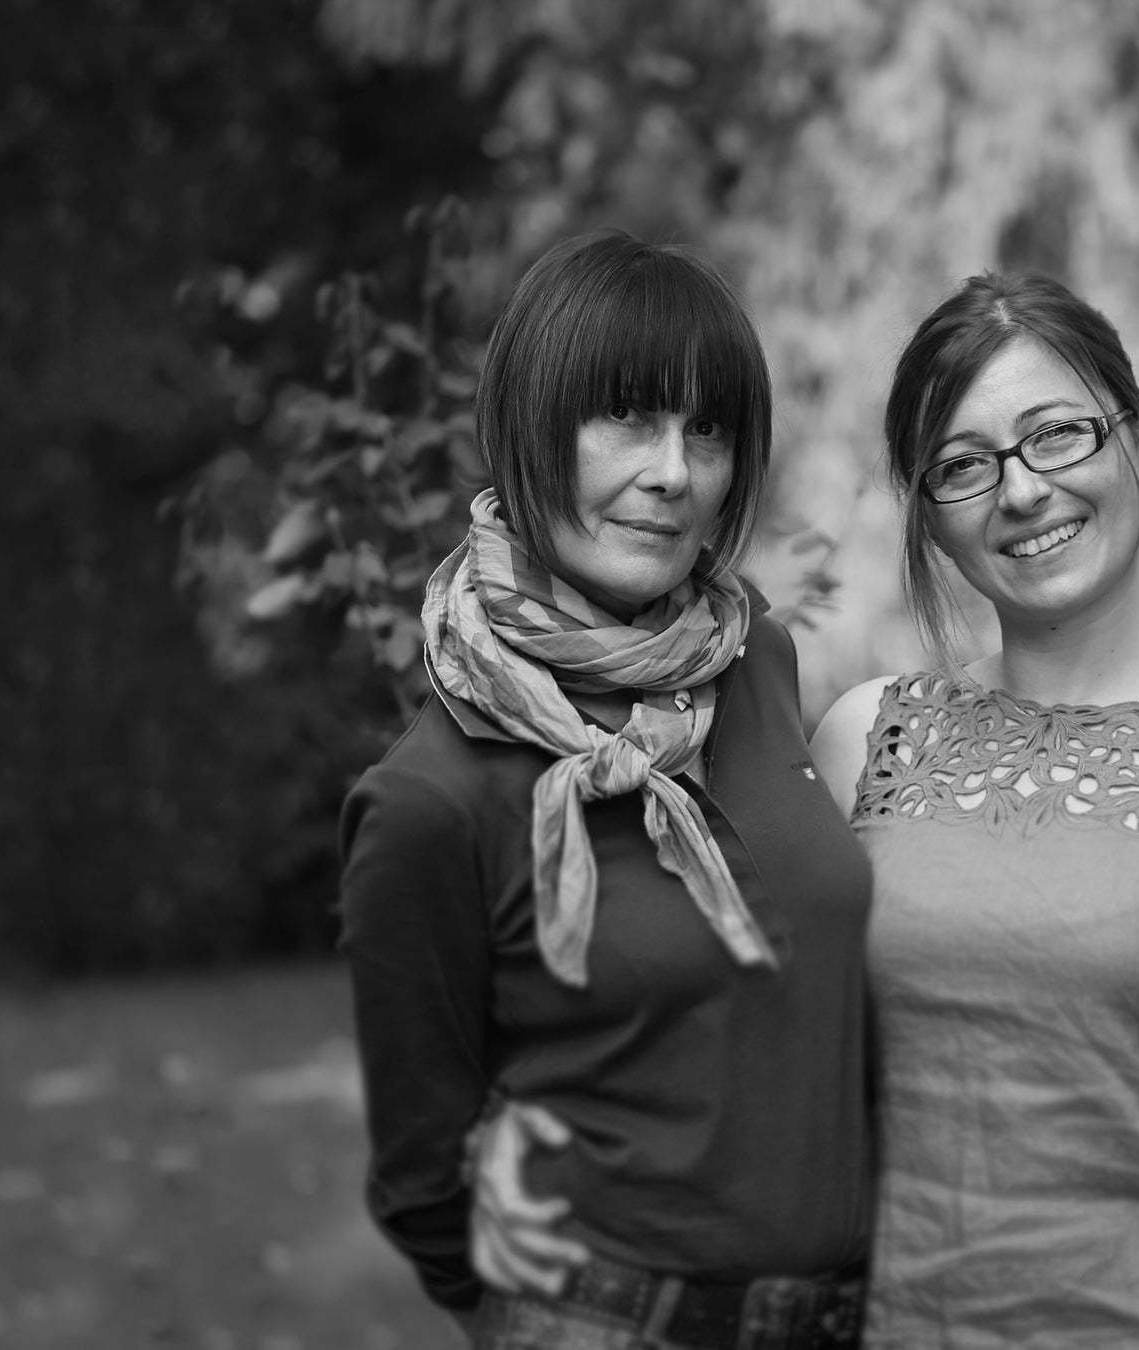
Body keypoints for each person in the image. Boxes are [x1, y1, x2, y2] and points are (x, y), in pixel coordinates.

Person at [473, 271, 1139, 1349]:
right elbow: (716, 1018)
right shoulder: (864, 743)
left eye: (1058, 435)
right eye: (963, 465)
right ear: (931, 521)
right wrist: (528, 1125)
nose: (1023, 490)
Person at [336, 229, 875, 1350]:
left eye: (708, 429)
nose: (674, 471)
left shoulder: (753, 663)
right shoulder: (432, 800)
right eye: (626, 417)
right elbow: (421, 1177)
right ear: (528, 426)